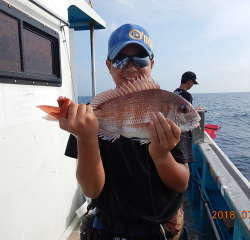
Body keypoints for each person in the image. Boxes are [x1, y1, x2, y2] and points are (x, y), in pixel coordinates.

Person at [61, 23, 194, 240]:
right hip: (108, 230)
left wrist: (161, 156)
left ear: (151, 63)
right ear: (108, 65)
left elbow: (181, 183)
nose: (131, 67)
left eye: (140, 59)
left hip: (163, 231)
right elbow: (91, 191)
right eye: (120, 60)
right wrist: (86, 139)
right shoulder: (90, 120)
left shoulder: (173, 117)